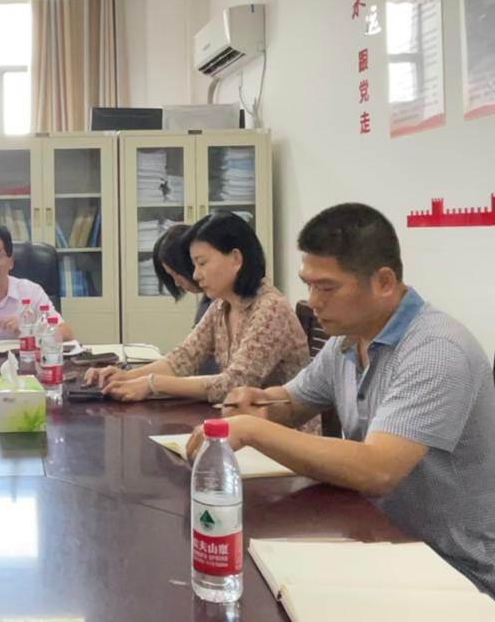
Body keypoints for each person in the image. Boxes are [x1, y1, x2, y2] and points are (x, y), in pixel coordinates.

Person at [186, 203, 495, 595]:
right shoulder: (348, 339)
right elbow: (294, 401)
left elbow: (377, 470)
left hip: (454, 570)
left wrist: (251, 428)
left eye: (327, 287)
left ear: (383, 282)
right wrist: (260, 401)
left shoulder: (436, 351)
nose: (313, 300)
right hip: (379, 538)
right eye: (308, 284)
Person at [86, 213, 309, 404]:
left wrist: (153, 383)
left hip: (281, 432)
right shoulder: (222, 305)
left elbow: (235, 384)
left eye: (202, 263)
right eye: (194, 265)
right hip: (243, 424)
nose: (195, 275)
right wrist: (126, 377)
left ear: (236, 259)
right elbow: (184, 357)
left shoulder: (270, 308)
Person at [152, 223, 219, 375]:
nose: (176, 283)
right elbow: (187, 354)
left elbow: (232, 379)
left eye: (176, 274)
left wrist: (153, 381)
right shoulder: (210, 300)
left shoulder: (265, 306)